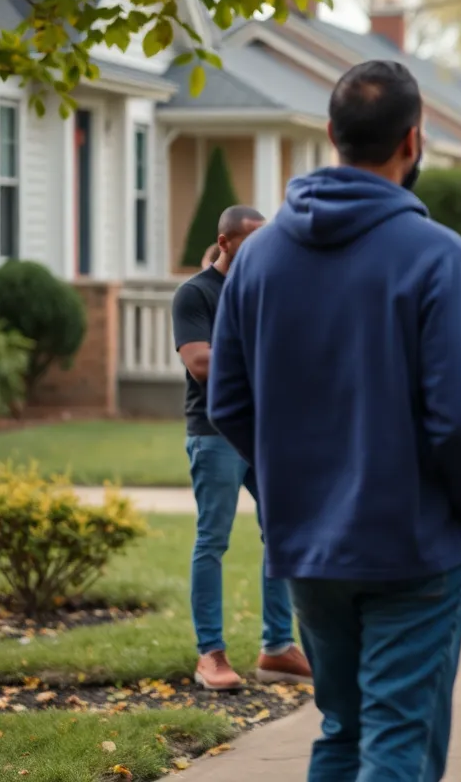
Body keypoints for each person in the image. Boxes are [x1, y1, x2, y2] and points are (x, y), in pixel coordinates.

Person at [207, 60, 461, 782]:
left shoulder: (257, 258)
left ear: (332, 134)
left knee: (341, 730)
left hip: (307, 542)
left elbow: (227, 402)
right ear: (414, 140)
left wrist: (288, 491)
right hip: (415, 543)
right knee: (400, 740)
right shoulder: (438, 255)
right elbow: (460, 417)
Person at [171, 205, 310, 691]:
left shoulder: (267, 291)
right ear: (225, 242)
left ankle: (277, 649)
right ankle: (210, 653)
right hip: (215, 435)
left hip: (267, 434)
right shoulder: (195, 294)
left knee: (282, 534)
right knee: (213, 540)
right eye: (250, 242)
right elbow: (201, 364)